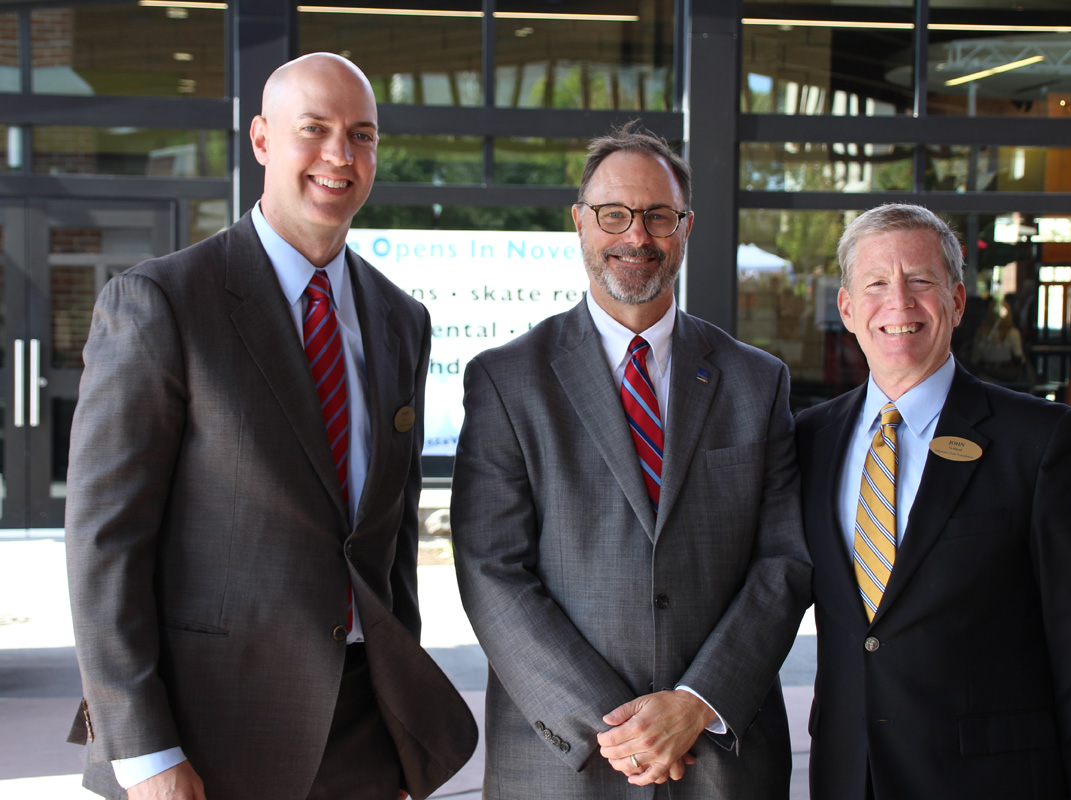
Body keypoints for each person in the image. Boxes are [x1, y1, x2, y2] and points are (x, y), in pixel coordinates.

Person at [64, 53, 476, 800]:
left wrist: (402, 718)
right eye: (313, 130)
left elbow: (391, 542)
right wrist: (146, 753)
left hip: (363, 733)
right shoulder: (162, 301)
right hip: (209, 735)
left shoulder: (399, 320)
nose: (339, 156)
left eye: (362, 136)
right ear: (261, 139)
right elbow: (104, 542)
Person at [449, 123, 812, 798]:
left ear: (686, 226)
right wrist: (621, 731)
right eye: (613, 214)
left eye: (657, 216)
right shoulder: (507, 380)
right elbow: (490, 570)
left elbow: (784, 562)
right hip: (566, 762)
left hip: (720, 759)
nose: (636, 237)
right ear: (579, 223)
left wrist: (699, 700)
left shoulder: (757, 382)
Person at [793, 203, 1071, 800]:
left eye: (919, 280)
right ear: (847, 308)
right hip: (850, 777)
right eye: (875, 283)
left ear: (955, 300)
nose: (898, 301)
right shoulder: (810, 440)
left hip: (993, 780)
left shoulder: (1041, 441)